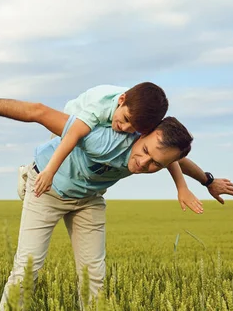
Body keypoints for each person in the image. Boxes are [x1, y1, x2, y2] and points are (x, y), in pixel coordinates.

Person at [0, 88, 233, 311]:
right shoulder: (100, 137)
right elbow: (36, 111)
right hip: (46, 190)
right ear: (140, 138)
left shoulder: (154, 146)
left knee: (94, 278)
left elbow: (175, 157)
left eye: (155, 163)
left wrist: (205, 182)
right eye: (144, 152)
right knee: (25, 272)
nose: (144, 164)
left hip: (88, 199)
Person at [24, 83, 203, 215]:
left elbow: (167, 155)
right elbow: (72, 133)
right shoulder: (99, 106)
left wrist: (192, 185)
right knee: (67, 149)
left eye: (134, 128)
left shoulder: (142, 122)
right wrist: (49, 171)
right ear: (121, 100)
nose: (125, 128)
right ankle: (29, 173)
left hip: (88, 193)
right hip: (72, 121)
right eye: (125, 120)